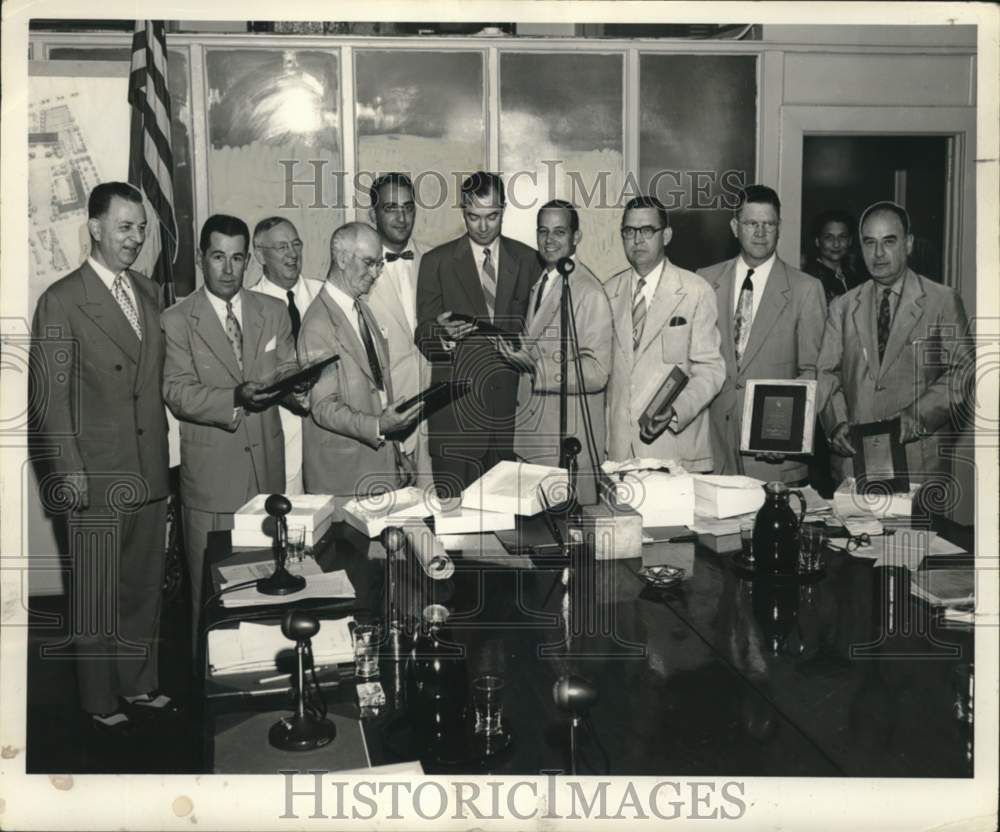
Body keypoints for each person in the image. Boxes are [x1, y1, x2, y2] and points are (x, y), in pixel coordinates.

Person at [30, 181, 175, 736]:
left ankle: (139, 682)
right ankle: (98, 698)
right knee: (94, 596)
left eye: (141, 227)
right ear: (94, 227)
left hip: (148, 467)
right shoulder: (62, 300)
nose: (135, 237)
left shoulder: (147, 291)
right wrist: (70, 478)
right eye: (124, 226)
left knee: (142, 588)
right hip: (94, 474)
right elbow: (51, 406)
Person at [162, 214, 300, 644]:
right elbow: (177, 391)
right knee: (214, 604)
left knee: (268, 594)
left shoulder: (274, 311)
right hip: (211, 482)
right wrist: (235, 398)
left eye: (237, 258)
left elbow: (289, 373)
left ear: (248, 262)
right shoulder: (178, 319)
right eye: (218, 257)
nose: (228, 269)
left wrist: (303, 387)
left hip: (268, 475)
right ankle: (212, 705)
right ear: (203, 259)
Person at [817, 201, 973, 489]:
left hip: (919, 463)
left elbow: (962, 373)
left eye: (889, 241)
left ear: (908, 244)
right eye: (869, 242)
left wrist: (918, 415)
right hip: (854, 461)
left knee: (915, 537)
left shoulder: (942, 300)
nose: (878, 254)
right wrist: (836, 423)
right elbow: (827, 373)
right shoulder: (843, 305)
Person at [415, 171, 538, 497]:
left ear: (505, 210)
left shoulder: (528, 261)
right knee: (455, 533)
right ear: (462, 210)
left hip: (511, 422)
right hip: (455, 424)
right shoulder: (435, 262)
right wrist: (443, 337)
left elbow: (539, 335)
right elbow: (422, 333)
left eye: (492, 216)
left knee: (509, 533)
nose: (483, 227)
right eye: (473, 217)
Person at [698, 185, 827, 484]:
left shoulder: (806, 289)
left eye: (768, 224)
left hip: (775, 458)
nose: (760, 232)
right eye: (751, 223)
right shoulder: (704, 280)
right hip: (712, 452)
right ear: (735, 227)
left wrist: (788, 433)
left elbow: (813, 371)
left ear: (779, 228)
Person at [496, 200, 614, 505]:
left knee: (571, 543)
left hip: (566, 448)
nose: (549, 240)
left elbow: (597, 371)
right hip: (534, 442)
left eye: (559, 232)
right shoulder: (543, 282)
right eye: (543, 231)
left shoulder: (588, 291)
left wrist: (537, 368)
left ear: (576, 237)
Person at [298, 222, 422, 500]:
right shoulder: (318, 323)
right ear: (342, 259)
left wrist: (397, 452)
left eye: (379, 264)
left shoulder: (362, 309)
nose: (376, 273)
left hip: (378, 467)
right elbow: (323, 407)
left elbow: (379, 390)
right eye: (369, 263)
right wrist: (378, 427)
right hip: (343, 479)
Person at [604, 196, 725, 471]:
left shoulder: (696, 290)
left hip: (674, 448)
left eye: (647, 231)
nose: (637, 240)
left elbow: (711, 370)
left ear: (666, 235)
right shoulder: (608, 292)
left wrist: (677, 410)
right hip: (618, 453)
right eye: (629, 231)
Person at [365, 173, 432, 486]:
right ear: (372, 214)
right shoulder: (356, 270)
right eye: (391, 208)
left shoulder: (438, 260)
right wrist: (388, 438)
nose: (402, 217)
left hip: (435, 424)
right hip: (387, 421)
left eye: (408, 207)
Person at [248, 217, 323, 495]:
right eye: (281, 247)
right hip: (281, 442)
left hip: (329, 439)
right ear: (259, 254)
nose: (292, 254)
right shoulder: (249, 306)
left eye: (296, 244)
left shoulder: (323, 294)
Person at [804, 209, 866, 304]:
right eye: (829, 237)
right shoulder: (810, 279)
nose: (836, 244)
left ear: (850, 241)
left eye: (842, 237)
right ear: (817, 241)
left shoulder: (856, 276)